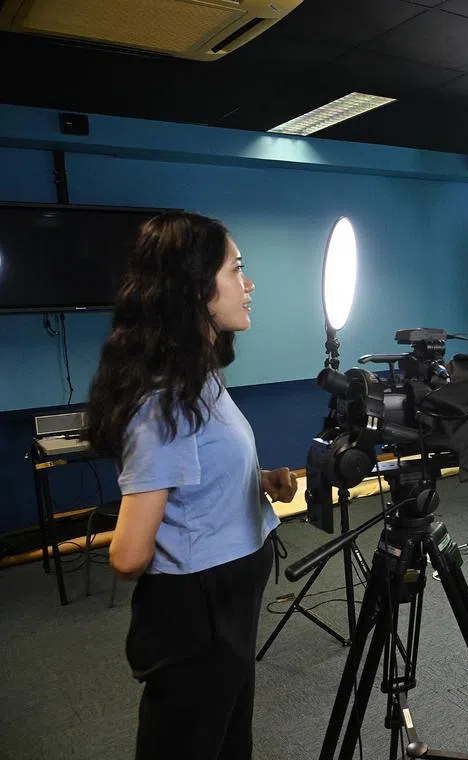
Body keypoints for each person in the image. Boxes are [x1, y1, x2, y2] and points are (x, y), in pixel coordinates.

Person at [86, 211, 298, 758]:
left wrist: (254, 481)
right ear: (196, 287)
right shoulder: (163, 402)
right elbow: (130, 555)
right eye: (237, 269)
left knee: (228, 745)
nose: (248, 285)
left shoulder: (200, 378)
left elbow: (194, 476)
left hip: (227, 605)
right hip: (197, 617)